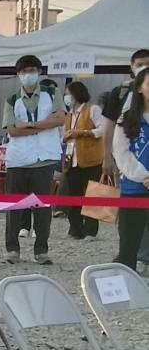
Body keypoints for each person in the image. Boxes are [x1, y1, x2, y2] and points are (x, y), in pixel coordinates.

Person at [1, 54, 65, 265]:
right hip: (18, 159)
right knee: (14, 207)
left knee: (43, 208)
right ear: (18, 74)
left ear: (39, 72)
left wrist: (28, 126)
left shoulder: (52, 93)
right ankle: (12, 249)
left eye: (32, 70)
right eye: (24, 71)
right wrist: (41, 125)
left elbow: (59, 119)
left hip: (44, 158)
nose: (28, 75)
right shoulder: (12, 99)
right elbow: (12, 129)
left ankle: (41, 250)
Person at [60, 80, 109, 241]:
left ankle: (90, 231)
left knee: (92, 195)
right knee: (73, 195)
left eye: (68, 93)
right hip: (71, 160)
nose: (66, 97)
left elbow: (102, 130)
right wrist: (65, 137)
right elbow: (63, 136)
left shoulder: (92, 109)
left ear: (76, 94)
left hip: (91, 160)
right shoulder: (68, 114)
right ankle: (75, 229)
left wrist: (81, 133)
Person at [112, 66, 149, 269]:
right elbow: (121, 153)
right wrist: (143, 176)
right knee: (128, 247)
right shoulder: (127, 119)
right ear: (140, 88)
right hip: (134, 189)